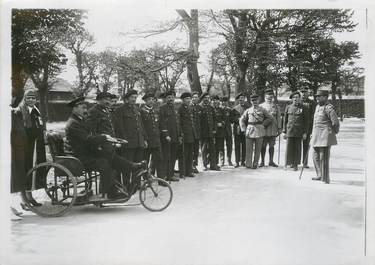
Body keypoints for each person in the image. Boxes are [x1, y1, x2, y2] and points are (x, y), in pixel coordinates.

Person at [65, 97, 145, 199]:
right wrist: (104, 137)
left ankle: (132, 166)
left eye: (86, 108)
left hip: (86, 152)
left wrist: (103, 138)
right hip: (80, 157)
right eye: (83, 108)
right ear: (74, 108)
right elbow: (87, 138)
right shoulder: (73, 123)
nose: (86, 110)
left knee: (109, 155)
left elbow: (89, 136)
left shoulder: (78, 121)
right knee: (104, 163)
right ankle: (111, 192)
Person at [113, 89, 147, 186]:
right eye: (132, 97)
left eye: (135, 97)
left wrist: (144, 139)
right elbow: (119, 127)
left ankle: (136, 185)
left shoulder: (136, 109)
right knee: (127, 166)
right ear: (126, 99)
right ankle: (127, 186)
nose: (134, 99)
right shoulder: (120, 110)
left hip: (138, 142)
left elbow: (140, 125)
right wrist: (124, 141)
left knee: (138, 165)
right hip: (128, 143)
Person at [311, 90, 340, 184]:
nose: (317, 98)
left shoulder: (329, 108)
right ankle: (319, 174)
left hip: (325, 136)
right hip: (316, 135)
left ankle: (325, 178)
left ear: (325, 97)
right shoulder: (317, 107)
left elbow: (335, 122)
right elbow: (315, 122)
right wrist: (312, 133)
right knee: (315, 155)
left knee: (323, 157)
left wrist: (332, 133)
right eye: (316, 96)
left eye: (319, 96)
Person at [240, 94, 272, 169]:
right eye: (253, 101)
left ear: (258, 101)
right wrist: (244, 129)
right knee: (248, 148)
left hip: (259, 130)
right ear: (251, 102)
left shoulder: (263, 110)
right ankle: (248, 164)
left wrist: (263, 125)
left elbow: (270, 118)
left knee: (258, 148)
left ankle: (255, 163)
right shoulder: (248, 110)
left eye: (256, 100)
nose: (254, 102)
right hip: (250, 130)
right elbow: (242, 119)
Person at [140, 93, 165, 180]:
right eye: (149, 99)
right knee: (145, 160)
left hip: (156, 140)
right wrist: (144, 139)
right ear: (145, 101)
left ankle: (161, 179)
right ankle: (146, 179)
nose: (151, 101)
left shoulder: (156, 111)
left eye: (152, 99)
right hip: (147, 141)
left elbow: (159, 125)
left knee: (159, 159)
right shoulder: (142, 111)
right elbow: (141, 127)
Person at [283, 91, 309, 171]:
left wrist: (305, 132)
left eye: (297, 97)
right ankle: (287, 163)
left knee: (298, 148)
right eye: (294, 97)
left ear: (300, 98)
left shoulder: (304, 108)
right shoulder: (288, 107)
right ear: (291, 99)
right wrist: (284, 131)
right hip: (290, 130)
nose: (295, 99)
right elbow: (285, 120)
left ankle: (295, 164)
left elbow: (306, 121)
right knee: (289, 147)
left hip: (299, 131)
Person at [159, 90, 181, 181]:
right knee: (166, 157)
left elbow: (177, 123)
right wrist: (166, 135)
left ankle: (171, 174)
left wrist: (179, 135)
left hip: (175, 136)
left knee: (173, 156)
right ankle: (165, 176)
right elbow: (162, 123)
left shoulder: (175, 108)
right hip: (167, 137)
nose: (171, 99)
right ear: (165, 98)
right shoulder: (162, 108)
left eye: (172, 97)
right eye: (168, 97)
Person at [259, 89, 282, 167]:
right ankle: (262, 161)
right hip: (264, 128)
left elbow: (279, 117)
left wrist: (279, 128)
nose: (269, 99)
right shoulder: (261, 106)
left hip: (273, 128)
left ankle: (271, 161)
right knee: (263, 145)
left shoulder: (276, 106)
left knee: (272, 146)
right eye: (268, 97)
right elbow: (259, 117)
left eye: (271, 98)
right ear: (265, 97)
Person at [199, 92, 220, 171]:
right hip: (203, 132)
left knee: (212, 148)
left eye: (208, 98)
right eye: (205, 98)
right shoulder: (200, 107)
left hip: (211, 132)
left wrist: (214, 129)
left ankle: (213, 165)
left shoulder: (211, 108)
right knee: (204, 149)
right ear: (202, 98)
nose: (207, 99)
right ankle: (204, 165)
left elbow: (214, 119)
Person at [178, 92, 196, 178]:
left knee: (190, 154)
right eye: (187, 99)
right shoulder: (180, 109)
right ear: (183, 100)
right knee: (183, 154)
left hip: (191, 134)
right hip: (184, 134)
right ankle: (182, 172)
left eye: (189, 98)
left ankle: (189, 171)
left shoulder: (190, 108)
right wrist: (181, 134)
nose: (188, 100)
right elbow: (179, 123)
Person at [299, 87, 316, 168]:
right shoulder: (297, 102)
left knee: (306, 145)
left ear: (308, 93)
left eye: (305, 92)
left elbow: (314, 116)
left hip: (308, 126)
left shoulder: (312, 103)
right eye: (302, 92)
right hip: (298, 126)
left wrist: (313, 128)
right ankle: (295, 162)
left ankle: (305, 162)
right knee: (297, 145)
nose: (303, 93)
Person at [231, 93, 248, 167]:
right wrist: (238, 119)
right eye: (240, 98)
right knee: (237, 146)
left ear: (245, 99)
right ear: (238, 100)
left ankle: (243, 161)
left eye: (243, 98)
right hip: (237, 129)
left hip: (245, 129)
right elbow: (231, 119)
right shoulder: (234, 109)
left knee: (244, 145)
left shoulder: (248, 108)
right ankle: (237, 161)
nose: (241, 100)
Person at [212, 95, 225, 167]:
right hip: (213, 132)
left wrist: (221, 124)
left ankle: (222, 161)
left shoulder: (221, 110)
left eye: (217, 100)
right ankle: (215, 162)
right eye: (214, 100)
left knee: (221, 147)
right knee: (214, 147)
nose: (216, 101)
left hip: (220, 132)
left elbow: (224, 120)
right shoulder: (211, 109)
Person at [190, 92, 202, 173]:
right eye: (193, 97)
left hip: (198, 132)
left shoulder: (199, 107)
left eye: (196, 97)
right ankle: (190, 166)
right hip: (191, 132)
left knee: (196, 150)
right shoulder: (189, 107)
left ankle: (194, 165)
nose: (195, 98)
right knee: (191, 150)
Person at [221, 96, 233, 166]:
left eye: (225, 101)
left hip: (228, 130)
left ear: (227, 102)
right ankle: (222, 161)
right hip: (221, 131)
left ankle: (229, 160)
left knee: (229, 146)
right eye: (222, 102)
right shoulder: (219, 109)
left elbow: (232, 120)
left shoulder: (230, 110)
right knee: (221, 146)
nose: (224, 103)